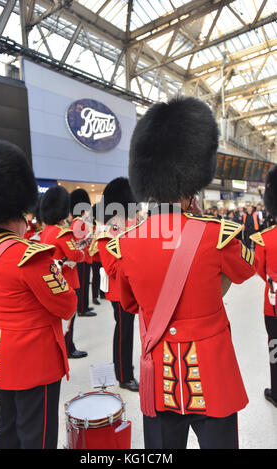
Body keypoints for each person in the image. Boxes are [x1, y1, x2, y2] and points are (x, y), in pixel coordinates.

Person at [106, 96, 256, 449]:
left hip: (159, 378)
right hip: (213, 376)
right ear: (192, 182)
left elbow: (127, 304)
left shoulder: (123, 244)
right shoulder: (217, 234)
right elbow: (245, 269)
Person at [0, 139, 77, 449]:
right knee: (38, 436)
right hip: (35, 359)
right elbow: (67, 305)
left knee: (9, 428)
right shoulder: (29, 255)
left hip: (1, 355)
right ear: (18, 213)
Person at [95, 178, 139, 392]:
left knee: (125, 330)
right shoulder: (107, 230)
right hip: (119, 290)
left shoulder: (128, 224)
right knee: (124, 331)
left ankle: (123, 368)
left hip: (132, 287)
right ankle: (124, 375)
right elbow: (112, 267)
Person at [39, 186, 87, 359]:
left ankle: (67, 345)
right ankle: (68, 348)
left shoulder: (45, 231)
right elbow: (75, 254)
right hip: (67, 279)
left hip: (51, 279)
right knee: (69, 319)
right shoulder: (62, 233)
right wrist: (81, 253)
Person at [250, 166, 277, 407]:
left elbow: (260, 270)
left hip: (274, 306)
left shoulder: (265, 238)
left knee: (275, 348)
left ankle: (276, 391)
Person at [70, 189, 97, 318]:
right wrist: (90, 238)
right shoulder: (79, 222)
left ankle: (84, 305)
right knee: (83, 284)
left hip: (85, 257)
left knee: (84, 284)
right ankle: (81, 308)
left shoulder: (78, 222)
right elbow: (79, 242)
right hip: (83, 258)